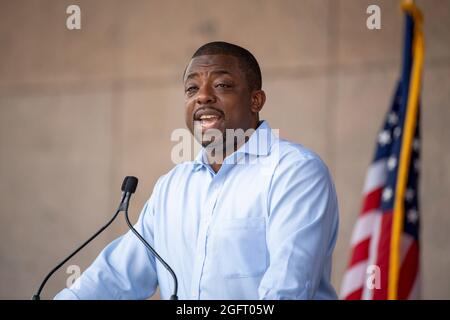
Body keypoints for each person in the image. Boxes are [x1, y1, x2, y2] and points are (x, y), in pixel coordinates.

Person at [55, 41, 339, 300]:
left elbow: (288, 290)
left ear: (256, 101)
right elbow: (115, 278)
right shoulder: (172, 186)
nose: (202, 97)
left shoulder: (295, 172)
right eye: (192, 89)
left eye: (222, 85)